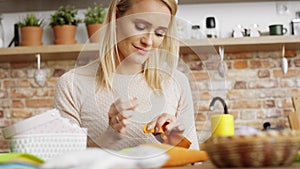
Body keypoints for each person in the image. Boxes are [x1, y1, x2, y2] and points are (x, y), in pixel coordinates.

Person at [54, 0, 199, 150]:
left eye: (159, 33)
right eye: (140, 27)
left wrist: (174, 141)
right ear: (116, 18)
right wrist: (108, 137)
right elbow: (63, 162)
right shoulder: (71, 84)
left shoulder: (176, 82)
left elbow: (195, 160)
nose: (148, 41)